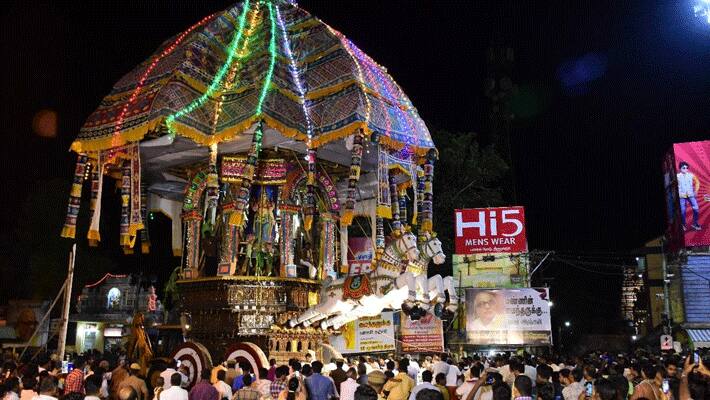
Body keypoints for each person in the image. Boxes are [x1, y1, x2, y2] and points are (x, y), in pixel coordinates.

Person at [677, 161, 701, 231]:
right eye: (684, 167)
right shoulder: (677, 176)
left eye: (687, 168)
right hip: (681, 196)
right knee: (682, 210)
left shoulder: (691, 175)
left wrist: (696, 191)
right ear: (680, 168)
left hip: (691, 195)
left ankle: (695, 223)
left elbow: (697, 182)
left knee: (696, 208)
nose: (685, 169)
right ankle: (683, 224)